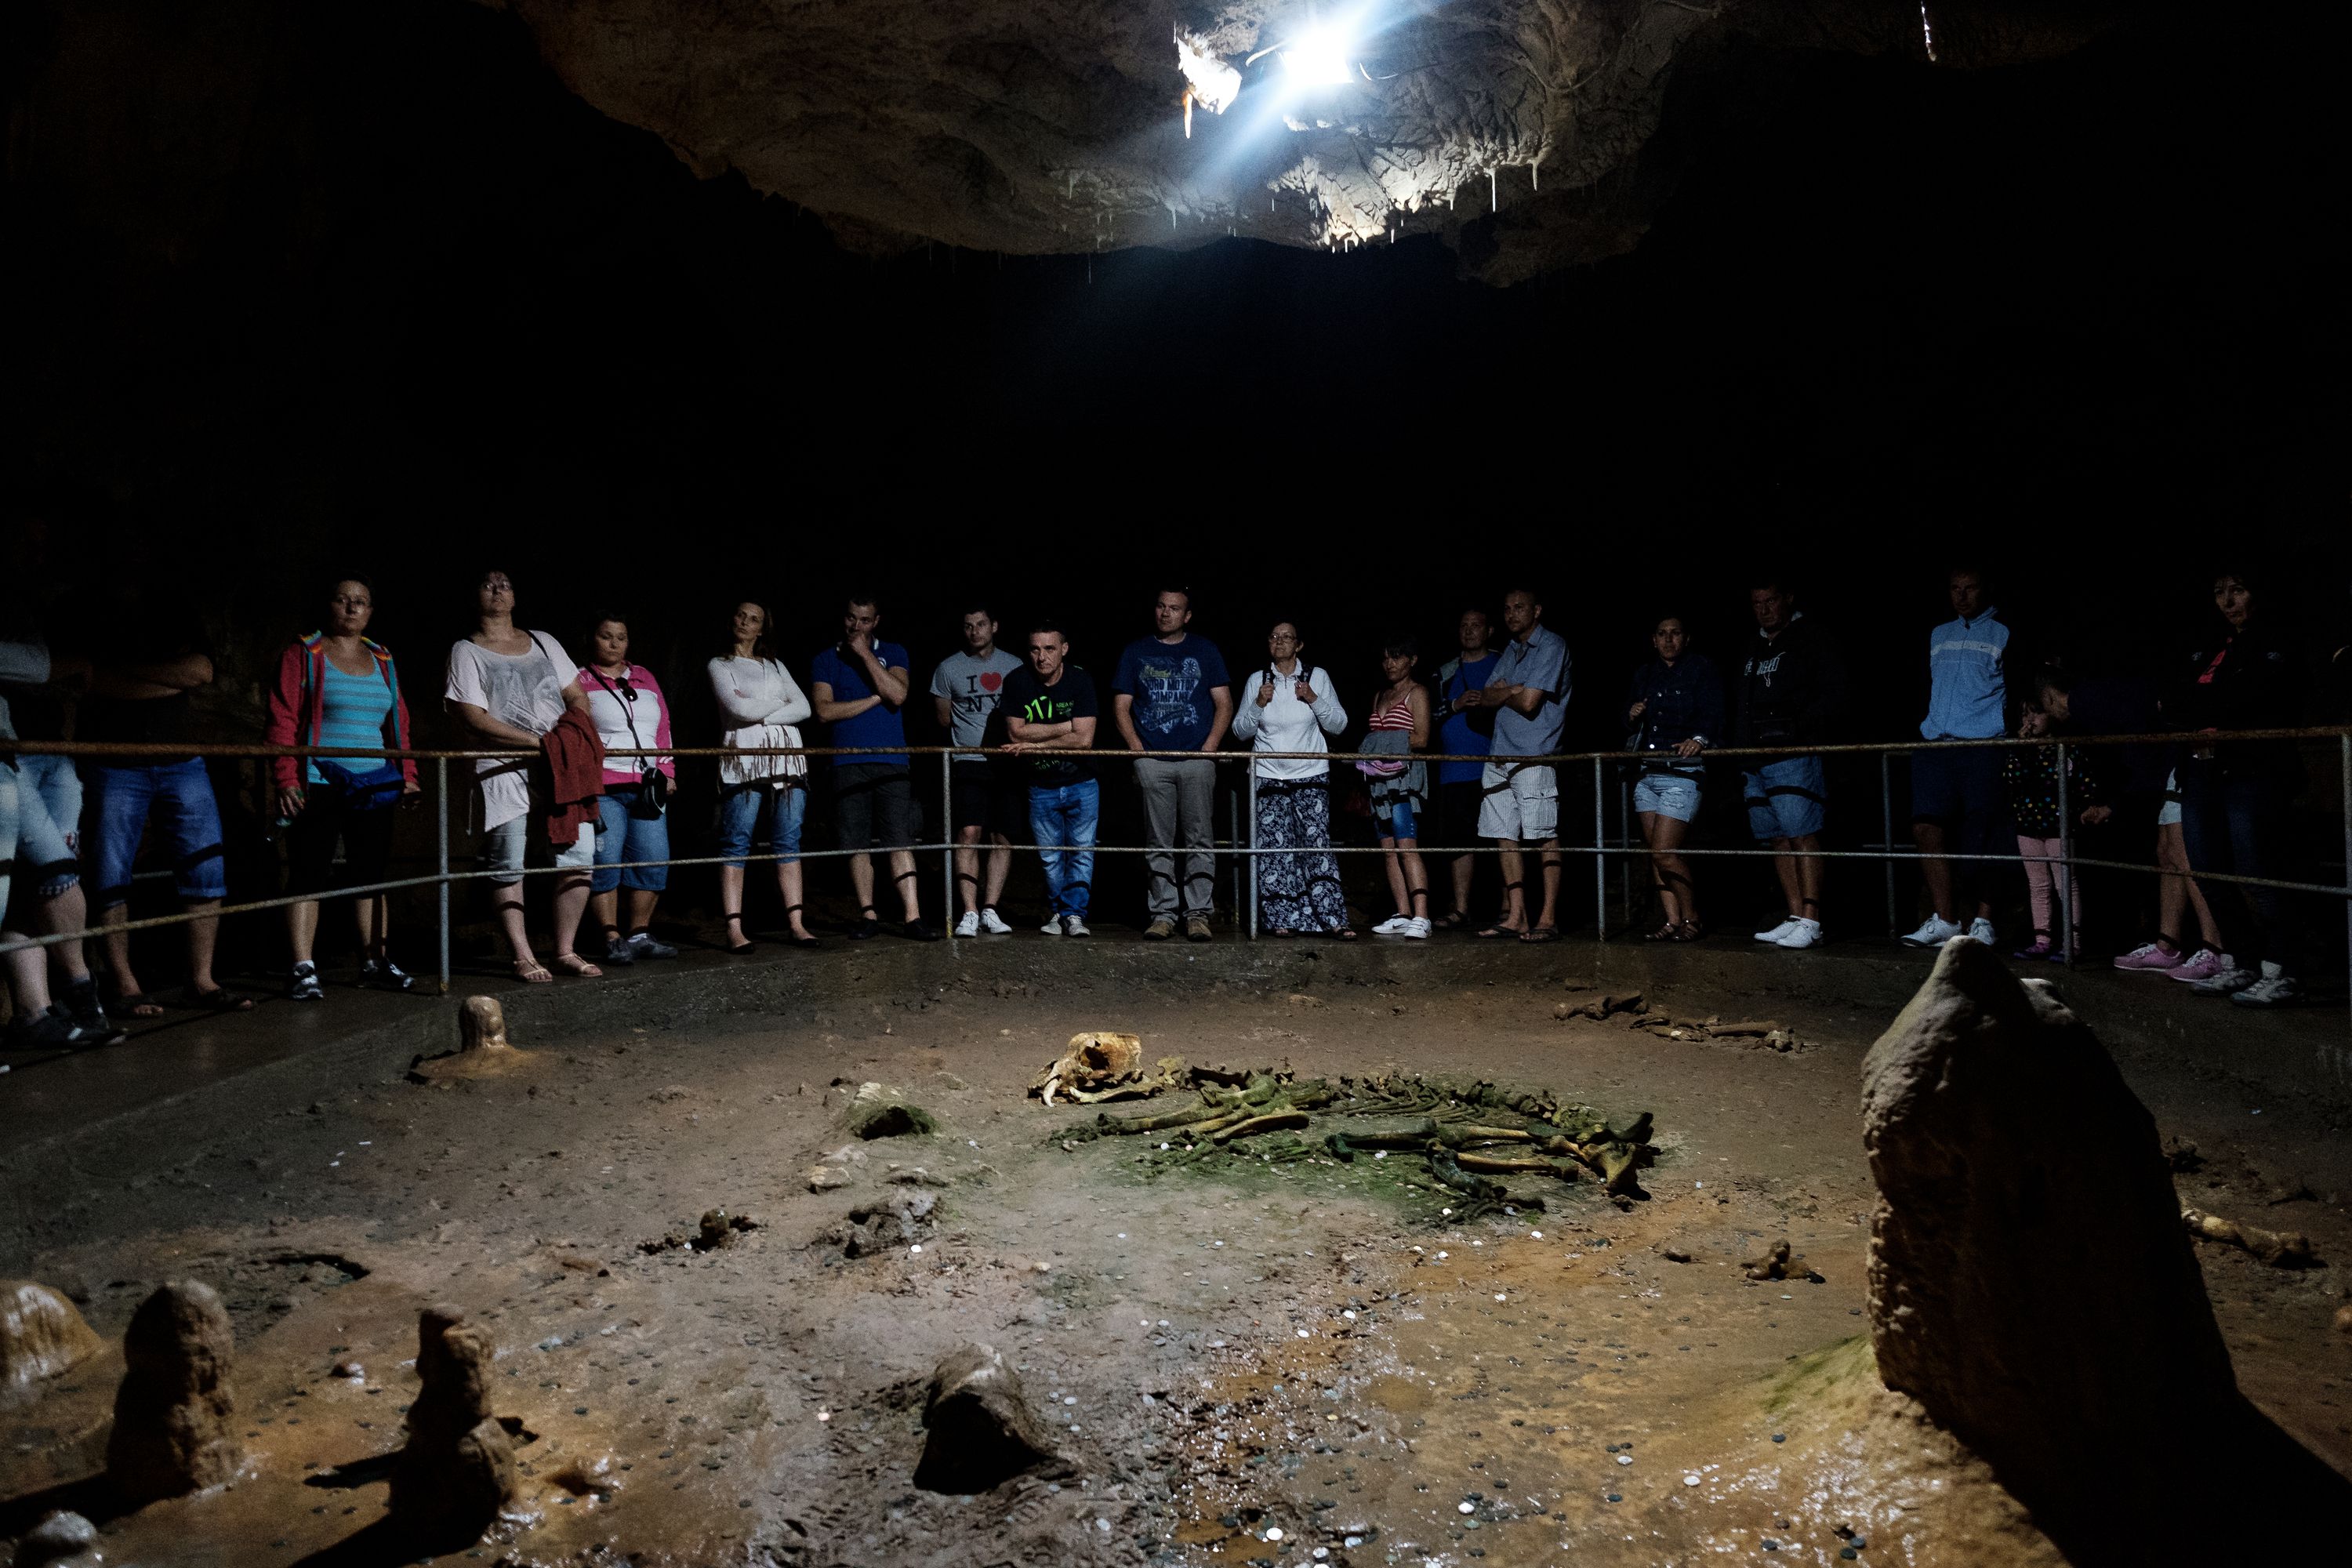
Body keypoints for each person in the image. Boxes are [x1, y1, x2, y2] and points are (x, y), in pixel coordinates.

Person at [82, 581, 250, 1014]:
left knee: (206, 864)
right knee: (109, 870)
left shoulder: (174, 604)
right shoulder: (89, 605)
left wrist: (130, 669)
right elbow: (91, 679)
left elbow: (201, 671)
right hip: (113, 758)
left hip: (181, 758)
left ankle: (201, 981)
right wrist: (167, 674)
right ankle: (125, 985)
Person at [263, 578, 420, 1000]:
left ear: (370, 611)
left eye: (361, 602)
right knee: (309, 871)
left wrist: (407, 775)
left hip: (372, 780)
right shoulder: (305, 652)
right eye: (343, 600)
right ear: (328, 604)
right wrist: (285, 777)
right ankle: (302, 968)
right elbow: (281, 719)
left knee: (370, 873)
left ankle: (374, 962)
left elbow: (398, 721)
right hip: (319, 777)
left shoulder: (383, 657)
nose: (351, 608)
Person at [444, 569, 600, 982]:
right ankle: (523, 954)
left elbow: (577, 694)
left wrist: (568, 735)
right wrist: (536, 742)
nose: (497, 590)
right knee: (509, 860)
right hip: (502, 766)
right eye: (488, 584)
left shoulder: (543, 642)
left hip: (558, 762)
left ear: (516, 597)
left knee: (579, 856)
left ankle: (565, 949)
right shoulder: (467, 650)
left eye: (506, 584)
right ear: (475, 596)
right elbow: (473, 716)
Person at [2168, 568, 2305, 1006]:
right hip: (2201, 770)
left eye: (2238, 590)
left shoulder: (2277, 641)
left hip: (2251, 772)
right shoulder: (2208, 644)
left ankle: (2282, 969)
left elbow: (2257, 697)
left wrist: (2208, 708)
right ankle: (2241, 961)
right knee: (2208, 871)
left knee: (2258, 872)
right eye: (2219, 593)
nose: (2228, 601)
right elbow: (2170, 699)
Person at [0, 630, 118, 1042]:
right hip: (10, 761)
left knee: (34, 885)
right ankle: (85, 1003)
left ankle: (36, 1013)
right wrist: (75, 666)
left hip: (35, 753)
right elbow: (37, 665)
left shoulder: (27, 614)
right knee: (52, 872)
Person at [811, 594, 937, 941]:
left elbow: (898, 694)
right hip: (847, 760)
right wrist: (872, 699)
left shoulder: (894, 652)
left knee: (900, 839)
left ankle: (913, 917)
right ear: (844, 618)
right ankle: (868, 915)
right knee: (857, 842)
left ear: (876, 621)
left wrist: (865, 654)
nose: (857, 626)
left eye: (865, 620)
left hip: (892, 759)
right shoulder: (826, 659)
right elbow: (824, 711)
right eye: (852, 619)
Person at [1112, 587, 1233, 941]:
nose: (1166, 613)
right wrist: (1139, 753)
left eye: (1174, 608)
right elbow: (1121, 706)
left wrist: (1209, 748)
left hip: (1196, 759)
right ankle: (1163, 913)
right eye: (1162, 606)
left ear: (1187, 615)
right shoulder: (1136, 651)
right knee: (1158, 841)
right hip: (1154, 760)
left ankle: (1197, 914)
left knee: (1199, 839)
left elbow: (1223, 702)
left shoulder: (1205, 650)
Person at [1733, 576, 1846, 950]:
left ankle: (1813, 919)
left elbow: (1832, 694)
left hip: (1793, 753)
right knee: (1777, 837)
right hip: (1754, 757)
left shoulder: (1810, 638)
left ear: (1787, 599)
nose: (1764, 609)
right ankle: (1796, 914)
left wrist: (1798, 730)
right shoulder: (1752, 646)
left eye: (1770, 601)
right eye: (1757, 603)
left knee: (1802, 831)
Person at [1900, 566, 2009, 949]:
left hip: (1983, 745)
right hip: (1936, 744)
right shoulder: (1938, 633)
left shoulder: (2004, 632)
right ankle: (1945, 918)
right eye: (1955, 589)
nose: (1961, 596)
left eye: (1970, 588)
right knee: (1925, 825)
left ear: (1986, 589)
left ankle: (1983, 920)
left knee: (1985, 832)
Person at [1232, 621, 1353, 938]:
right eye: (1274, 637)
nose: (1280, 642)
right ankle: (1282, 919)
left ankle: (1331, 919)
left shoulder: (1317, 676)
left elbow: (1339, 725)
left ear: (1299, 645)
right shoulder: (1258, 679)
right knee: (1275, 850)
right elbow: (1240, 731)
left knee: (1316, 847)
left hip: (1310, 774)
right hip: (1269, 775)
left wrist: (1313, 698)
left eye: (1287, 637)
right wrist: (1259, 703)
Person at [1459, 587, 1567, 942]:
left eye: (1519, 608)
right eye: (1506, 609)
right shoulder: (1512, 649)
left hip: (1534, 753)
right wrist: (1511, 690)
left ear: (1536, 610)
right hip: (1500, 752)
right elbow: (1484, 697)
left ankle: (1548, 917)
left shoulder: (1551, 645)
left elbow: (1531, 702)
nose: (1511, 614)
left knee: (1543, 835)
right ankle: (1517, 916)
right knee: (1504, 836)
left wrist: (1509, 692)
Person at [710, 601, 818, 953]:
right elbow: (738, 709)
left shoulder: (774, 664)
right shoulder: (720, 664)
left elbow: (803, 707)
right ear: (732, 621)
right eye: (740, 615)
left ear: (762, 628)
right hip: (745, 759)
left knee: (788, 840)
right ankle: (735, 929)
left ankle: (797, 924)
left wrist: (764, 715)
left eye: (754, 619)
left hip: (787, 761)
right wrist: (778, 705)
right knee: (737, 842)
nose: (745, 622)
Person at [578, 615, 677, 967]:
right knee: (606, 860)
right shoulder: (580, 681)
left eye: (621, 637)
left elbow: (662, 727)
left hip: (648, 785)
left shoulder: (645, 677)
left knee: (653, 856)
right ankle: (610, 936)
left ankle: (639, 934)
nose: (614, 643)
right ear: (594, 640)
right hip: (604, 785)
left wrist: (667, 770)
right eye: (606, 636)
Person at [1623, 614, 1723, 942]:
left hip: (1682, 772)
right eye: (1662, 634)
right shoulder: (1645, 674)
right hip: (1647, 771)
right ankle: (1672, 920)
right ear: (1653, 640)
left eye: (1675, 633)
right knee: (1655, 853)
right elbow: (1627, 722)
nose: (1668, 640)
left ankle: (1693, 918)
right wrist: (1632, 716)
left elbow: (1714, 713)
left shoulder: (1701, 669)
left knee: (1666, 851)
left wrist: (1700, 739)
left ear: (1686, 638)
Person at [1000, 622, 1100, 937]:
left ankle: (1074, 915)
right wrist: (1064, 727)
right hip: (1040, 784)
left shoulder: (1080, 680)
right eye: (1035, 649)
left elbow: (1084, 740)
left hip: (1081, 781)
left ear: (1064, 650)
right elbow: (1016, 732)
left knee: (1082, 852)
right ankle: (1059, 912)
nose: (1041, 657)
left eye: (1049, 649)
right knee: (1049, 857)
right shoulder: (1017, 680)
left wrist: (1034, 744)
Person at [930, 604, 1022, 938]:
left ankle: (990, 910)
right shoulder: (948, 668)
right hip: (968, 760)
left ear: (994, 626)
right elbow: (943, 718)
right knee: (969, 832)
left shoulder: (1015, 666)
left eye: (981, 624)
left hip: (1007, 760)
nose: (975, 631)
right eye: (968, 626)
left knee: (1003, 835)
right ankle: (968, 911)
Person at [2002, 677, 2110, 959]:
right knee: (2038, 885)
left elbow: (2084, 783)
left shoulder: (2066, 748)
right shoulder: (2021, 752)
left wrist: (2089, 805)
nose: (2030, 719)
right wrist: (2020, 750)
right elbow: (2012, 781)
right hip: (2028, 825)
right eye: (2024, 714)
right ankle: (2043, 940)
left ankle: (2072, 942)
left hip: (2059, 825)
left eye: (2036, 712)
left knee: (2065, 884)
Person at [2110, 767, 2228, 976]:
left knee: (2187, 855)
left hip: (2195, 766)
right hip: (2175, 768)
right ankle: (2167, 946)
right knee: (2167, 853)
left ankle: (2214, 949)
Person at [1430, 609, 1499, 928]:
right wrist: (1456, 704)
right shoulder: (1445, 671)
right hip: (1453, 769)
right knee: (1459, 840)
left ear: (1490, 630)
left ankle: (1508, 909)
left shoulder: (1504, 663)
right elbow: (1426, 716)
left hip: (1495, 765)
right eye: (1464, 626)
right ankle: (1461, 909)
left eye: (1476, 625)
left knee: (1503, 836)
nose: (1470, 631)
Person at [1360, 637, 1432, 938]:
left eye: (1397, 657)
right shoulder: (1379, 695)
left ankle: (1422, 916)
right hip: (1378, 781)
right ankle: (1403, 912)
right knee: (1388, 850)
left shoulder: (1417, 693)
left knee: (1407, 847)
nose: (1390, 663)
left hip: (1404, 780)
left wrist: (1376, 744)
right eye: (1386, 658)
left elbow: (1421, 738)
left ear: (1412, 660)